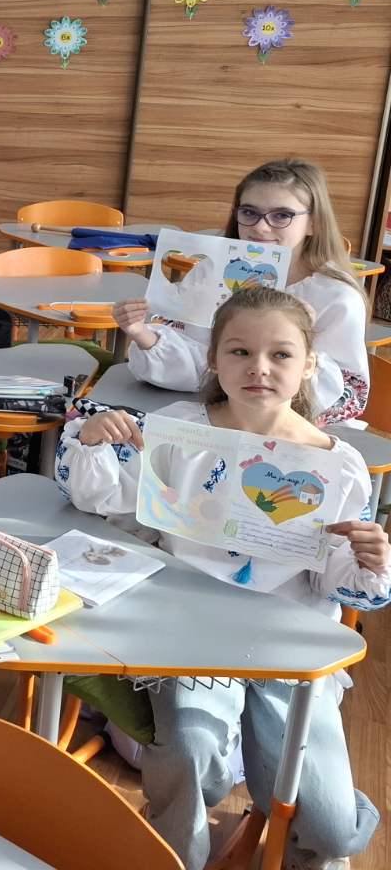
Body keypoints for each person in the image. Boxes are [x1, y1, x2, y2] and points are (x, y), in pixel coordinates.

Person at [59, 287, 388, 870]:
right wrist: (91, 442)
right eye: (239, 351)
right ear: (213, 359)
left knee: (331, 831)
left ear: (309, 364)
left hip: (289, 645)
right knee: (192, 757)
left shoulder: (337, 465)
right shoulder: (179, 431)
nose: (259, 368)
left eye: (280, 354)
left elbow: (332, 577)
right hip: (192, 634)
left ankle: (324, 822)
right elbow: (104, 500)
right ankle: (172, 856)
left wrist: (369, 560)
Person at [113, 159, 368, 426]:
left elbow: (347, 397)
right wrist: (143, 335)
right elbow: (201, 363)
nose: (260, 227)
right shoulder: (213, 272)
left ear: (313, 223)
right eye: (249, 212)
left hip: (292, 430)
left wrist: (305, 337)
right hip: (208, 416)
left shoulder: (336, 297)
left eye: (282, 215)